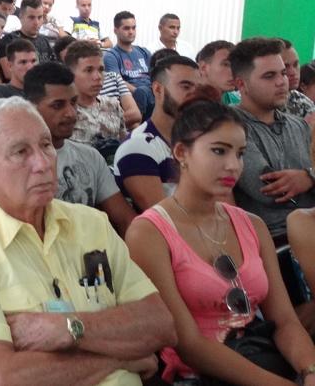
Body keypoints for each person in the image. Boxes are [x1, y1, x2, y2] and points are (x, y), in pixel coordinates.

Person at [0, 96, 176, 385]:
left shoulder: (91, 223)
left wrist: (66, 329)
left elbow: (160, 325)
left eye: (46, 145)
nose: (43, 163)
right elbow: (2, 378)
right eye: (20, 152)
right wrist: (123, 356)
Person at [126, 99, 315, 385]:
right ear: (181, 153)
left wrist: (309, 370)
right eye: (218, 151)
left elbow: (286, 321)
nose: (233, 165)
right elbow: (188, 343)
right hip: (200, 374)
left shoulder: (252, 224)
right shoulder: (149, 232)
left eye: (240, 154)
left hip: (262, 354)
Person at [24, 61, 136, 236]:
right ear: (30, 109)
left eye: (73, 103)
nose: (71, 113)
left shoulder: (90, 156)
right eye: (57, 105)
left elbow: (124, 219)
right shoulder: (18, 166)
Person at [229, 37, 315, 242]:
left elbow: (305, 178)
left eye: (283, 73)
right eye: (269, 76)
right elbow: (269, 190)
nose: (281, 82)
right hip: (273, 240)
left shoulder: (298, 125)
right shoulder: (228, 126)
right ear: (242, 84)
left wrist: (309, 177)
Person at [113, 55, 201, 212]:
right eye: (186, 87)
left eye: (198, 89)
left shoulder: (201, 141)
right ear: (158, 89)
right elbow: (166, 219)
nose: (195, 96)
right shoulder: (138, 147)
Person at [65, 41, 128, 147]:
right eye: (89, 70)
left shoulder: (113, 105)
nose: (98, 77)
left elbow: (124, 146)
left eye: (101, 69)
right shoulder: (65, 113)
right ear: (71, 74)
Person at [104, 11, 154, 117]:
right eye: (126, 28)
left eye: (133, 28)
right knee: (143, 92)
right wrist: (139, 92)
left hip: (152, 92)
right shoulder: (111, 55)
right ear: (115, 31)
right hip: (131, 96)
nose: (131, 32)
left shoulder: (144, 52)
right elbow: (117, 81)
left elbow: (155, 75)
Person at [0, 0, 56, 81]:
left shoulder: (45, 41)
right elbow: (9, 74)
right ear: (21, 17)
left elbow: (53, 70)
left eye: (40, 17)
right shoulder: (9, 41)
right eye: (31, 17)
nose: (36, 22)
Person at [280, 39, 315, 124]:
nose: (293, 72)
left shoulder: (305, 104)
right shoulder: (259, 104)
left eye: (296, 64)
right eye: (286, 66)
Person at [196, 40, 239, 105]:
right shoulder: (186, 101)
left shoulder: (237, 101)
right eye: (226, 64)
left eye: (236, 65)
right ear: (203, 68)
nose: (234, 71)